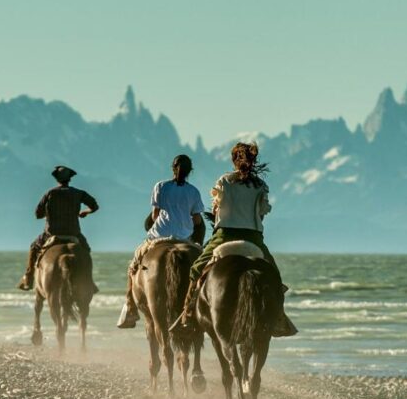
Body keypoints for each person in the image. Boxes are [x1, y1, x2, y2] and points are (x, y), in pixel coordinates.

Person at [171, 142, 294, 337]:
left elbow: (216, 210)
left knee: (196, 270)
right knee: (274, 276)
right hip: (253, 237)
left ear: (234, 160)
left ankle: (186, 316)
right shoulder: (261, 186)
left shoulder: (224, 181)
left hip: (224, 235)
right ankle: (279, 317)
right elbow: (261, 215)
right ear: (253, 161)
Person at [116, 154, 205, 328]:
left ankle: (130, 307)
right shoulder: (193, 191)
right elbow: (197, 220)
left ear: (173, 168)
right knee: (203, 268)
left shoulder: (161, 186)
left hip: (159, 236)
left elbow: (155, 215)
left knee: (133, 265)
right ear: (190, 172)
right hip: (184, 238)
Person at [17, 165, 99, 291]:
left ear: (57, 180)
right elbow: (94, 206)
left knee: (34, 247)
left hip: (51, 233)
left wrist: (49, 214)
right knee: (86, 250)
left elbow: (38, 214)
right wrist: (85, 212)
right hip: (74, 233)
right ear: (70, 179)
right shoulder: (79, 193)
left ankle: (29, 278)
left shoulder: (50, 193)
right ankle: (89, 281)